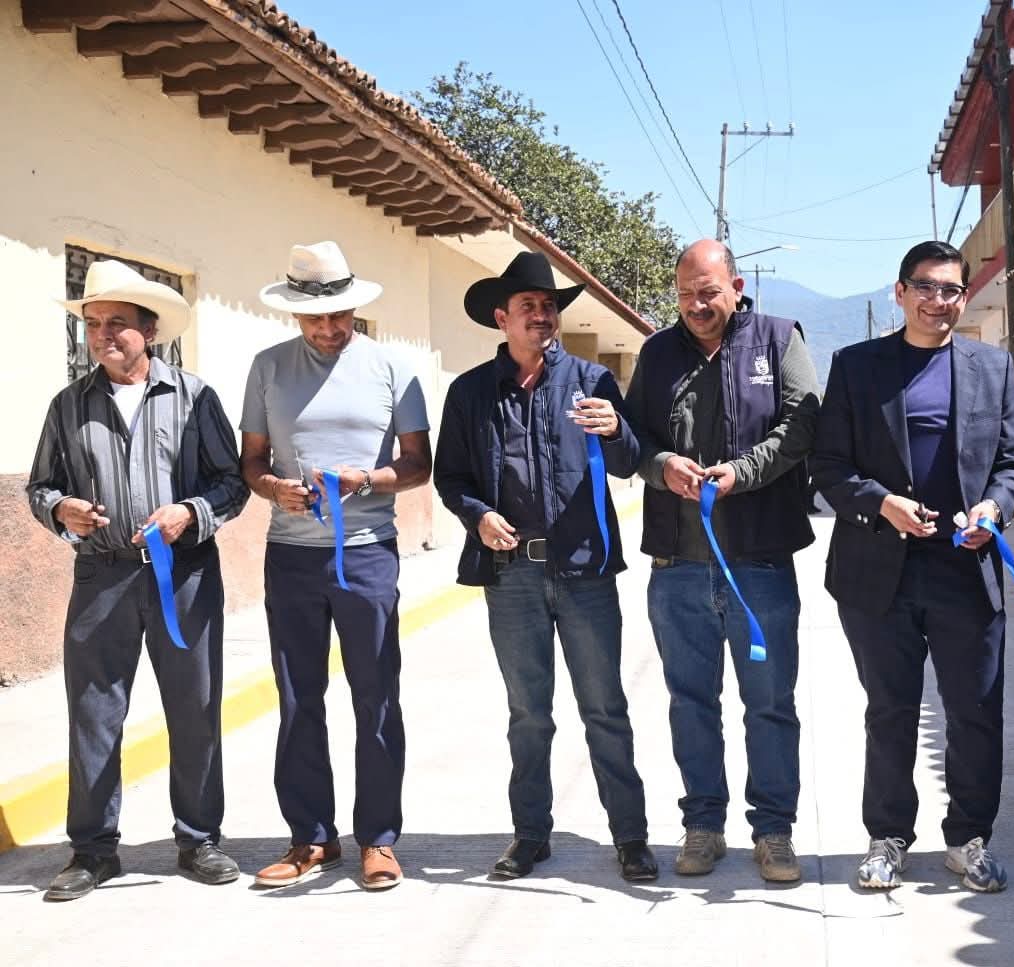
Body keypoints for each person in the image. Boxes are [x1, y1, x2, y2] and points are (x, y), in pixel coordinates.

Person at [810, 240, 1014, 893]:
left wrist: (991, 509)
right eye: (927, 288)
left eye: (951, 290)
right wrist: (881, 504)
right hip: (878, 571)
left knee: (974, 710)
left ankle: (968, 839)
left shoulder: (991, 366)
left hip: (965, 569)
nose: (940, 302)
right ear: (900, 292)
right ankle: (886, 838)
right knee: (890, 709)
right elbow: (828, 464)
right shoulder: (856, 366)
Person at [27, 260, 248, 901]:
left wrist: (188, 513)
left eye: (117, 323)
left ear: (148, 330)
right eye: (94, 324)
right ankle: (92, 851)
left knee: (195, 709)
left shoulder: (193, 397)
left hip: (184, 577)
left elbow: (231, 484)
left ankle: (199, 839)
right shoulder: (67, 405)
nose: (104, 336)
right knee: (94, 713)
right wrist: (60, 510)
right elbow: (42, 486)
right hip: (101, 575)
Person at [434, 251, 657, 882]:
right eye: (529, 307)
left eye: (549, 306)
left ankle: (630, 836)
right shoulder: (470, 393)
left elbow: (629, 460)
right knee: (529, 714)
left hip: (584, 571)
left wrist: (615, 428)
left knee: (604, 707)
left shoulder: (591, 382)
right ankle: (531, 834)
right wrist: (476, 514)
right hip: (512, 577)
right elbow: (451, 477)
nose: (542, 316)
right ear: (502, 318)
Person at [623, 239, 820, 882]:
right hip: (677, 564)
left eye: (708, 292)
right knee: (690, 701)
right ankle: (703, 825)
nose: (696, 306)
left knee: (769, 703)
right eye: (685, 295)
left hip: (759, 563)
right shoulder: (656, 354)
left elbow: (801, 427)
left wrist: (741, 471)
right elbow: (632, 440)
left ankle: (773, 831)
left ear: (736, 286)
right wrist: (662, 466)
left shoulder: (777, 340)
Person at [241, 241, 432, 891]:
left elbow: (418, 464)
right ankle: (309, 838)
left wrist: (367, 478)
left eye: (338, 315)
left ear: (355, 306)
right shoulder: (266, 368)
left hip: (369, 554)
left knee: (376, 696)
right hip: (291, 557)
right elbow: (251, 462)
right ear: (294, 313)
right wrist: (274, 489)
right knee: (298, 700)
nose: (327, 329)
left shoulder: (392, 368)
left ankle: (377, 839)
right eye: (313, 318)